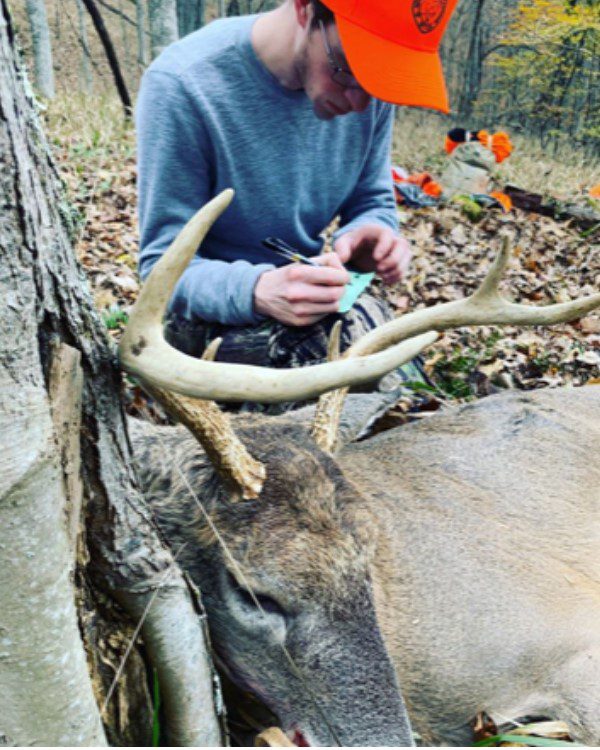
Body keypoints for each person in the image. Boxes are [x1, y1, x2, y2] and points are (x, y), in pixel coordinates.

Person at [136, 0, 458, 407]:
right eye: (346, 69)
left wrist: (370, 233)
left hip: (310, 301)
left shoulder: (367, 89)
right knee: (334, 351)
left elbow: (371, 199)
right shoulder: (186, 84)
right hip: (204, 323)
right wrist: (258, 290)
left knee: (385, 354)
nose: (360, 103)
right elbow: (160, 269)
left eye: (379, 81)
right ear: (306, 9)